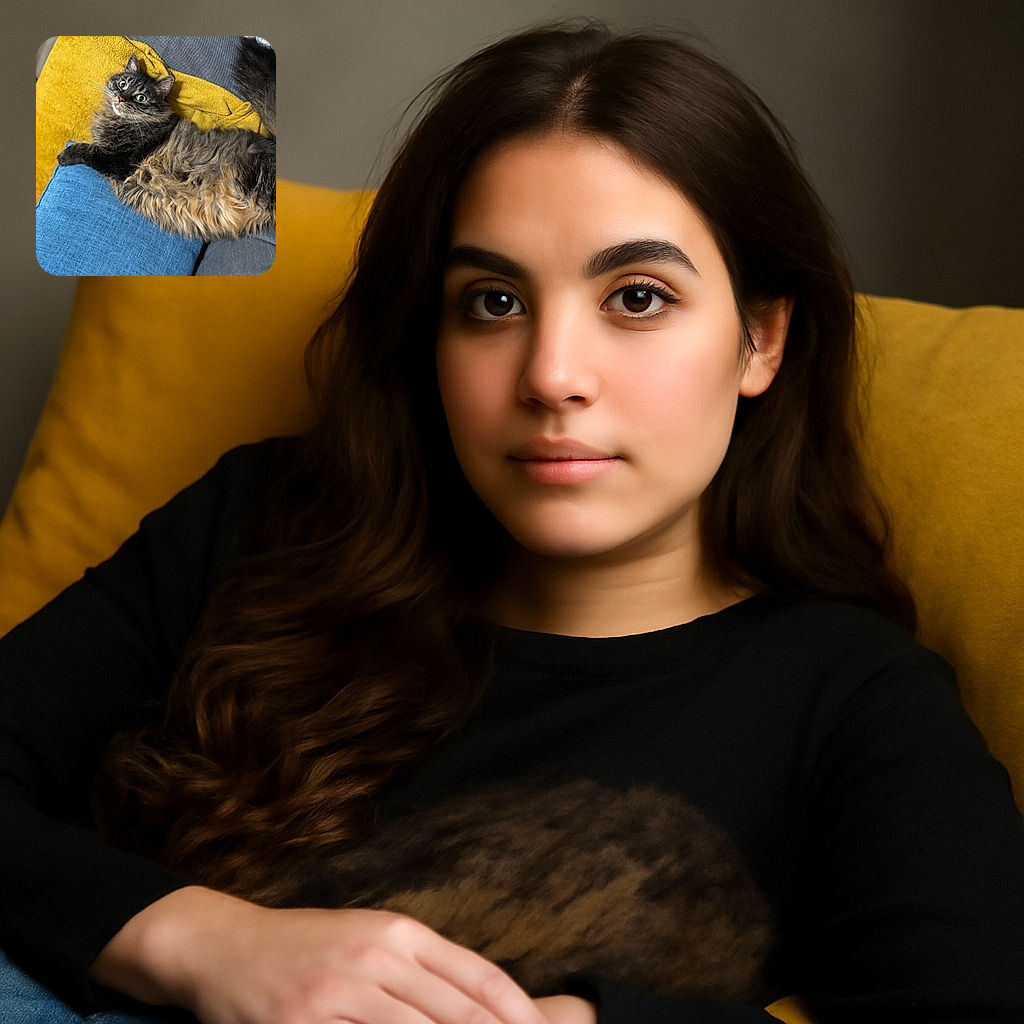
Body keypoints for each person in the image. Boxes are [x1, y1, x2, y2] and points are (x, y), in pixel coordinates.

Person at [3, 22, 1024, 1024]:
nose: (550, 376)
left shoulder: (850, 701)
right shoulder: (268, 522)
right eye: (492, 302)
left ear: (760, 339)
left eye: (635, 296)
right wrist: (195, 939)